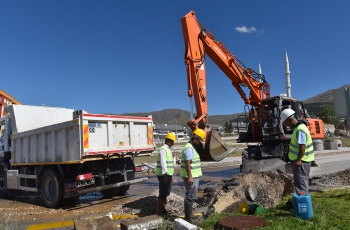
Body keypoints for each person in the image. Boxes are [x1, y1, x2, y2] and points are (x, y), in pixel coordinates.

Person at [280, 109, 314, 196]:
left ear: (291, 120)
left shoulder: (300, 130)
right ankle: (303, 201)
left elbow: (302, 146)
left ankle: (302, 204)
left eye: (286, 123)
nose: (285, 125)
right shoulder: (300, 127)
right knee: (301, 182)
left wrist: (298, 160)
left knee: (301, 183)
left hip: (301, 161)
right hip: (303, 160)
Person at [180, 128, 206, 223]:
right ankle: (188, 218)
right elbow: (187, 163)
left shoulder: (192, 147)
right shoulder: (189, 148)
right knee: (190, 196)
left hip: (193, 175)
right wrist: (190, 177)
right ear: (195, 139)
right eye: (199, 141)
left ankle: (189, 216)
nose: (199, 143)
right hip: (191, 176)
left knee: (191, 195)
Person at [155, 132, 176, 216]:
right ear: (169, 141)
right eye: (173, 141)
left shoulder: (168, 150)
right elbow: (163, 163)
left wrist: (174, 157)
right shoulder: (163, 149)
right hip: (164, 175)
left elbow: (170, 164)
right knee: (162, 193)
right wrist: (165, 175)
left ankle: (163, 209)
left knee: (166, 193)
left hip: (168, 174)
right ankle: (159, 212)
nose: (174, 143)